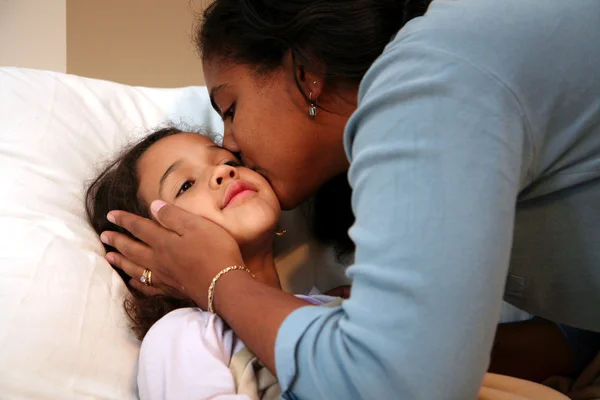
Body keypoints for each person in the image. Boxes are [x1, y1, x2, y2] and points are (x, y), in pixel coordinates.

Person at [100, 0, 600, 398]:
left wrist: (218, 280)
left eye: (230, 110)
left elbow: (401, 380)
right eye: (183, 185)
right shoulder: (184, 337)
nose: (229, 153)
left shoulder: (428, 84)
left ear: (307, 71)